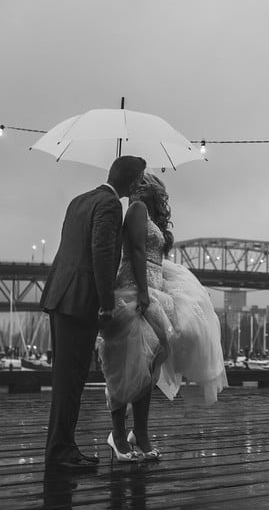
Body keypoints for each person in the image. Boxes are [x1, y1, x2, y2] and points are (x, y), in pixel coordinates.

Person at [98, 172, 227, 463]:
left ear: (154, 190)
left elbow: (155, 256)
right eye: (135, 184)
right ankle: (117, 435)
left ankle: (140, 433)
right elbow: (138, 252)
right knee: (126, 363)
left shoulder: (150, 217)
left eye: (142, 184)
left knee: (149, 366)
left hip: (155, 291)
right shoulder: (135, 210)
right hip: (134, 289)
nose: (136, 189)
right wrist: (144, 293)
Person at [41, 155, 147, 469]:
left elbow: (69, 250)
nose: (141, 184)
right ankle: (62, 452)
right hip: (81, 301)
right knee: (72, 379)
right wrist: (105, 302)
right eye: (140, 178)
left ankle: (59, 448)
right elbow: (101, 253)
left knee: (64, 379)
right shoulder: (112, 205)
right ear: (132, 182)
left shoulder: (79, 201)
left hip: (60, 295)